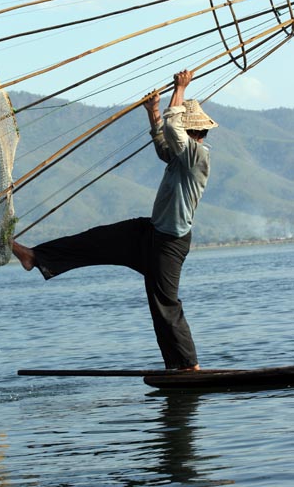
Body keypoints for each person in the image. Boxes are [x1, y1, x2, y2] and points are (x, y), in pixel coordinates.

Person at [12, 69, 218, 371]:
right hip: (150, 233)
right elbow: (164, 145)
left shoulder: (197, 156)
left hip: (169, 245)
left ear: (193, 134)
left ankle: (188, 367)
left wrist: (180, 89)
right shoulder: (178, 156)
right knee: (97, 240)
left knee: (165, 304)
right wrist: (154, 112)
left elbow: (174, 131)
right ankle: (35, 257)